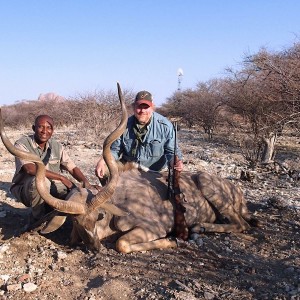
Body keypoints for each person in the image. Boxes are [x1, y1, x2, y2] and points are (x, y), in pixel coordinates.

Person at [10, 114, 97, 223]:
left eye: (48, 127)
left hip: (52, 186)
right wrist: (61, 178)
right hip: (26, 189)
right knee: (41, 182)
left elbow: (72, 168)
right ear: (33, 128)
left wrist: (86, 183)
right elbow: (30, 169)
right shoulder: (22, 144)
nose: (44, 131)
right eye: (40, 127)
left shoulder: (56, 146)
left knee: (78, 192)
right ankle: (38, 219)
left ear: (53, 130)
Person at [95, 90, 183, 181]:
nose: (142, 111)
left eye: (146, 107)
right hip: (129, 167)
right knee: (103, 170)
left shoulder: (165, 125)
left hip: (154, 170)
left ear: (152, 107)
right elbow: (115, 150)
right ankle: (110, 193)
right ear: (134, 107)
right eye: (139, 107)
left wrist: (175, 162)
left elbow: (171, 152)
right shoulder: (124, 125)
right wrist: (103, 161)